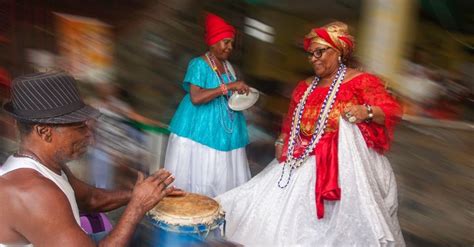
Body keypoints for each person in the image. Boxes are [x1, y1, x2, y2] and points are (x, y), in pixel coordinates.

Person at [216, 22, 405, 246]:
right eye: (310, 54)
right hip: (300, 160)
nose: (313, 58)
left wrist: (366, 111)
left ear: (339, 51)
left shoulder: (361, 81)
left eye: (319, 52)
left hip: (345, 166)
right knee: (263, 209)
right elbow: (290, 122)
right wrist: (280, 140)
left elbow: (392, 110)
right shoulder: (304, 87)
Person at [0, 71, 184, 246]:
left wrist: (142, 193)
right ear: (44, 132)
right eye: (80, 127)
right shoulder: (35, 194)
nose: (89, 134)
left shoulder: (47, 165)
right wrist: (137, 206)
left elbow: (91, 199)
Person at [164, 13, 251, 197]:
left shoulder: (228, 67)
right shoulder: (198, 64)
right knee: (202, 179)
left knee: (222, 180)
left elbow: (228, 93)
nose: (230, 47)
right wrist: (229, 86)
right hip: (199, 132)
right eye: (225, 42)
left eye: (231, 43)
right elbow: (196, 97)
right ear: (212, 41)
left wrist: (239, 92)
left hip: (226, 132)